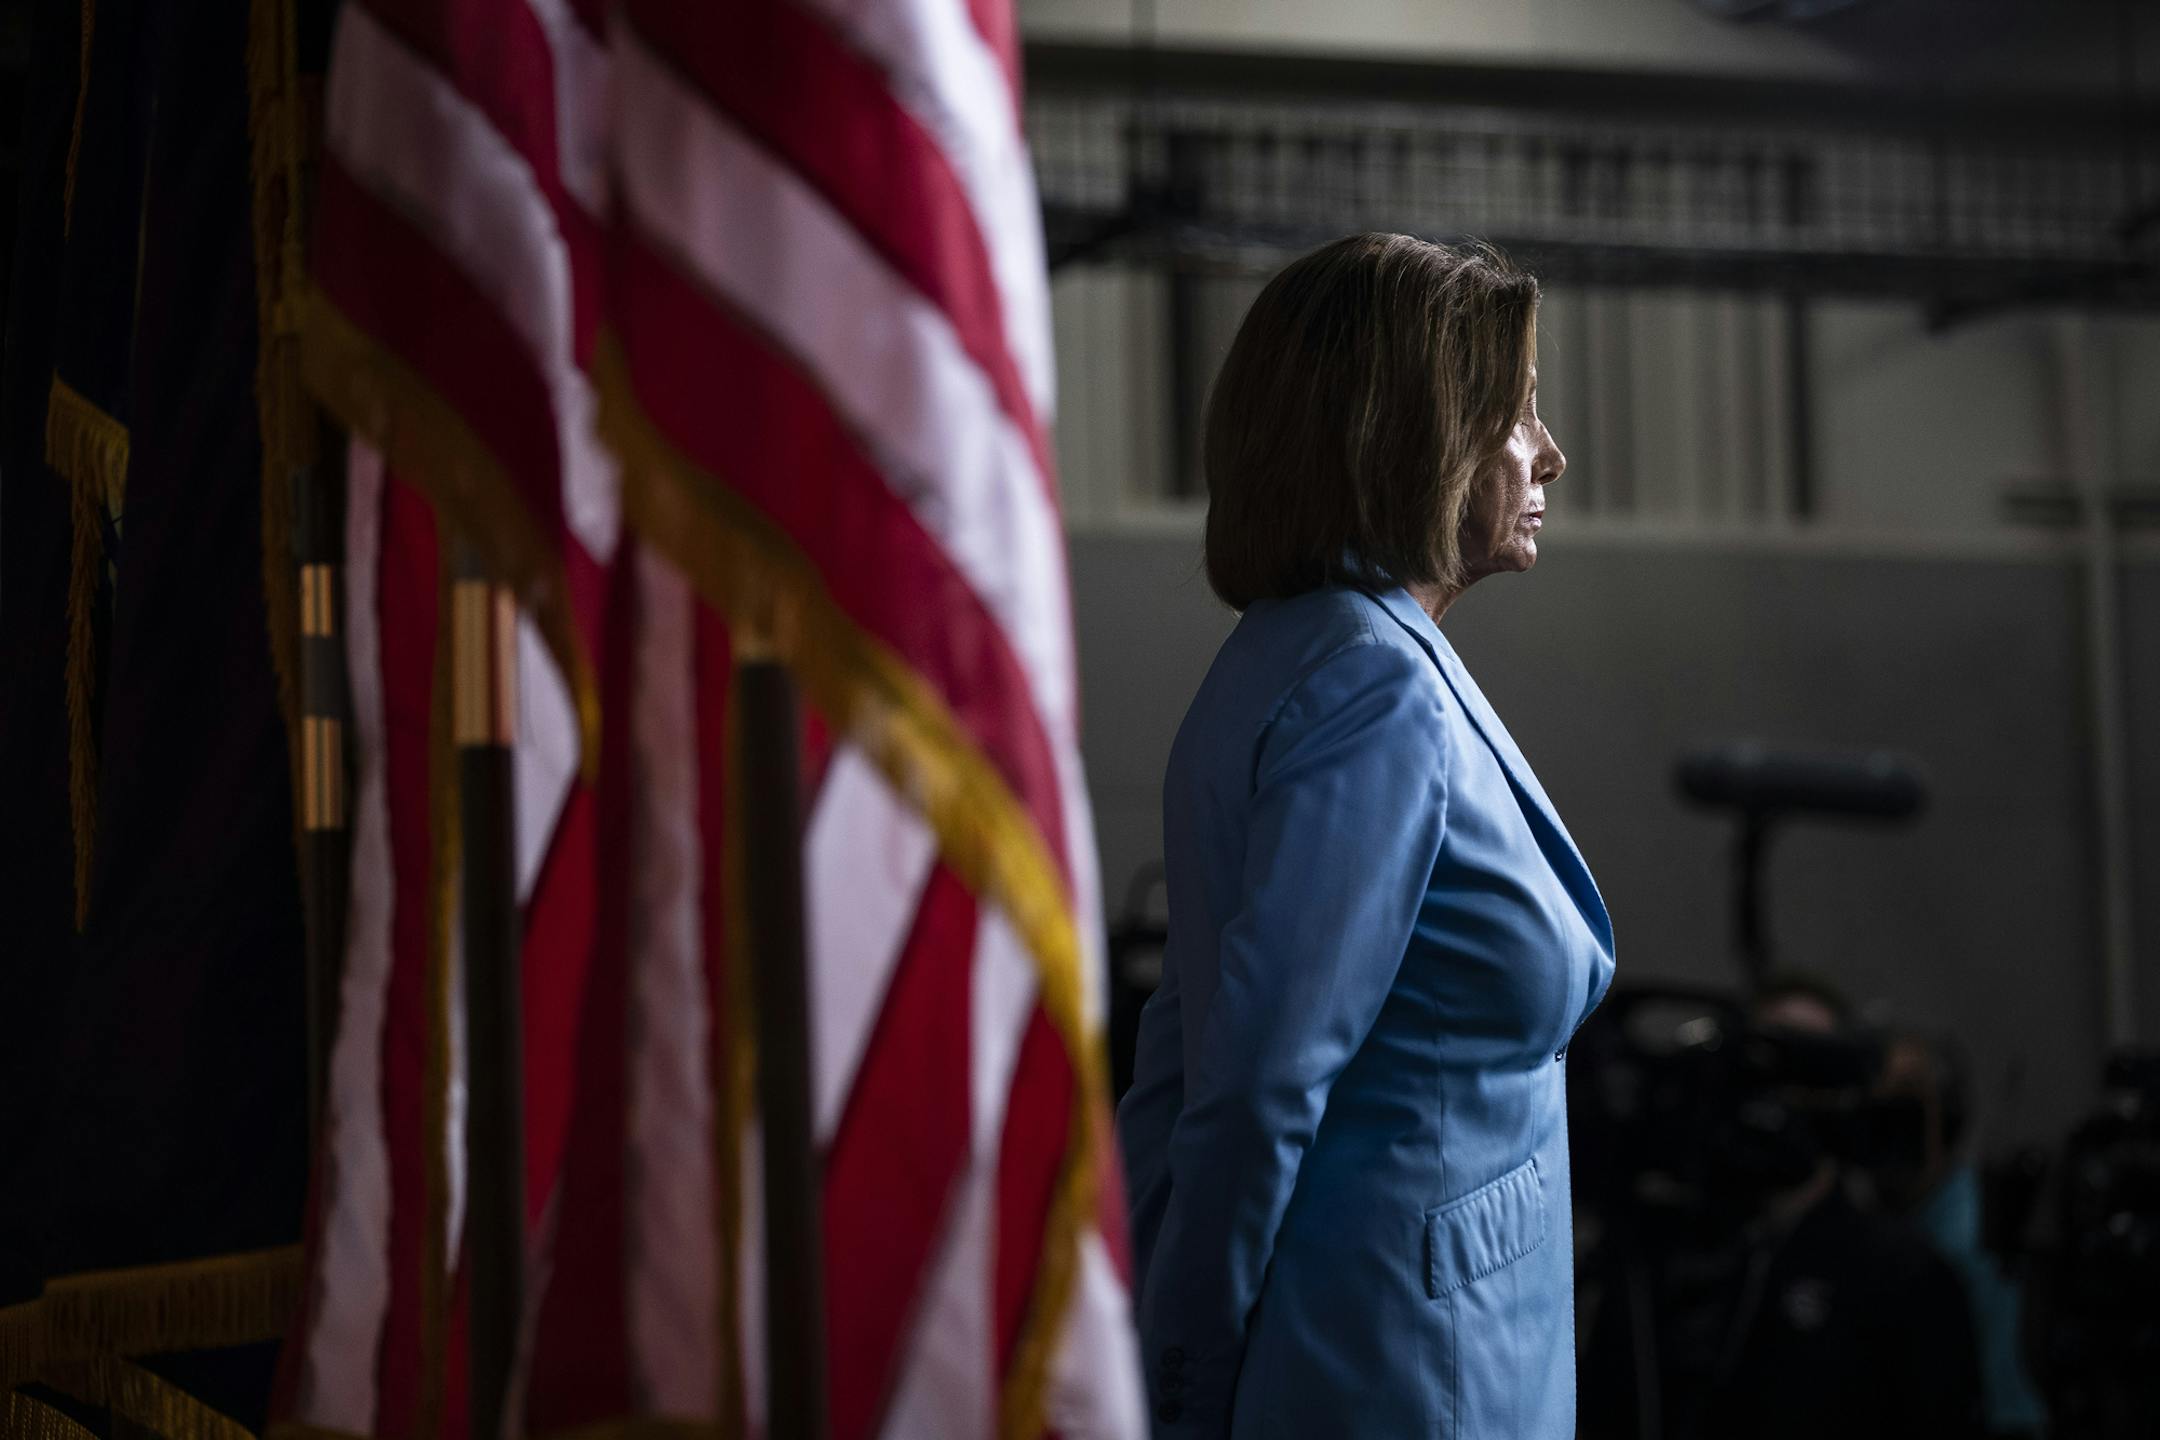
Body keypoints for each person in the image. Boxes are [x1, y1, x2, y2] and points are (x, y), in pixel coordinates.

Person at [1116, 233, 1616, 1437]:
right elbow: (1250, 1090)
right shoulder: (1372, 690)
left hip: (1389, 1354)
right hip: (1407, 1373)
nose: (1550, 452)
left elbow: (1179, 1063)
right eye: (1519, 411)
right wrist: (1178, 1384)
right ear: (1416, 429)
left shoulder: (1292, 658)